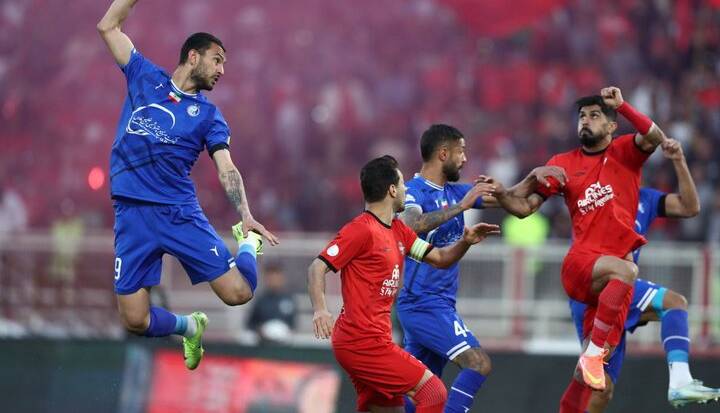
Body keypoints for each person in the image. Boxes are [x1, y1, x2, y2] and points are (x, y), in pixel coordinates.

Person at [97, 0, 279, 370]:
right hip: (131, 214)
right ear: (193, 56)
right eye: (217, 60)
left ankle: (248, 243)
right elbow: (108, 27)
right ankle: (190, 326)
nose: (222, 70)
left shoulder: (209, 116)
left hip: (177, 213)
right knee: (134, 320)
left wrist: (245, 214)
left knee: (238, 293)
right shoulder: (144, 76)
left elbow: (226, 168)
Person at [489, 87, 667, 392]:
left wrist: (623, 106)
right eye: (582, 116)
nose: (585, 120)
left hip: (612, 280)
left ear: (611, 126)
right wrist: (505, 193)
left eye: (594, 115)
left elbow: (655, 137)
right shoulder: (562, 163)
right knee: (629, 272)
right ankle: (594, 354)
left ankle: (588, 363)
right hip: (582, 263)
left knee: (597, 373)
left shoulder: (626, 152)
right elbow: (525, 208)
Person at [307, 155, 500, 413]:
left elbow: (440, 258)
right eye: (402, 183)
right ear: (392, 190)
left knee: (389, 410)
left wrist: (466, 242)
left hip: (372, 339)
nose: (406, 189)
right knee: (433, 392)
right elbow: (317, 267)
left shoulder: (399, 231)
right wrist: (320, 309)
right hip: (361, 341)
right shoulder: (361, 230)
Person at [395, 124, 563, 413]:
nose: (465, 158)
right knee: (478, 363)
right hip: (422, 303)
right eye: (460, 151)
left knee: (419, 393)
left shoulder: (456, 191)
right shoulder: (413, 191)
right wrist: (462, 207)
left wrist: (534, 177)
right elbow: (409, 225)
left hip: (439, 302)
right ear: (443, 153)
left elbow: (512, 196)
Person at [560, 139, 720, 411]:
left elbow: (689, 207)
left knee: (603, 389)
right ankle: (679, 381)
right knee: (597, 383)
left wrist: (679, 160)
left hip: (624, 290)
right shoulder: (596, 195)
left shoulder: (645, 198)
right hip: (595, 292)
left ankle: (680, 382)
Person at [247, 263, 297, 344]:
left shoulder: (289, 299)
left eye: (276, 276)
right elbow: (250, 324)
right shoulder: (261, 300)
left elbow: (293, 323)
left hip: (284, 342)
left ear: (281, 278)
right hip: (263, 342)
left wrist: (287, 331)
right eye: (271, 277)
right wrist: (260, 330)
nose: (274, 280)